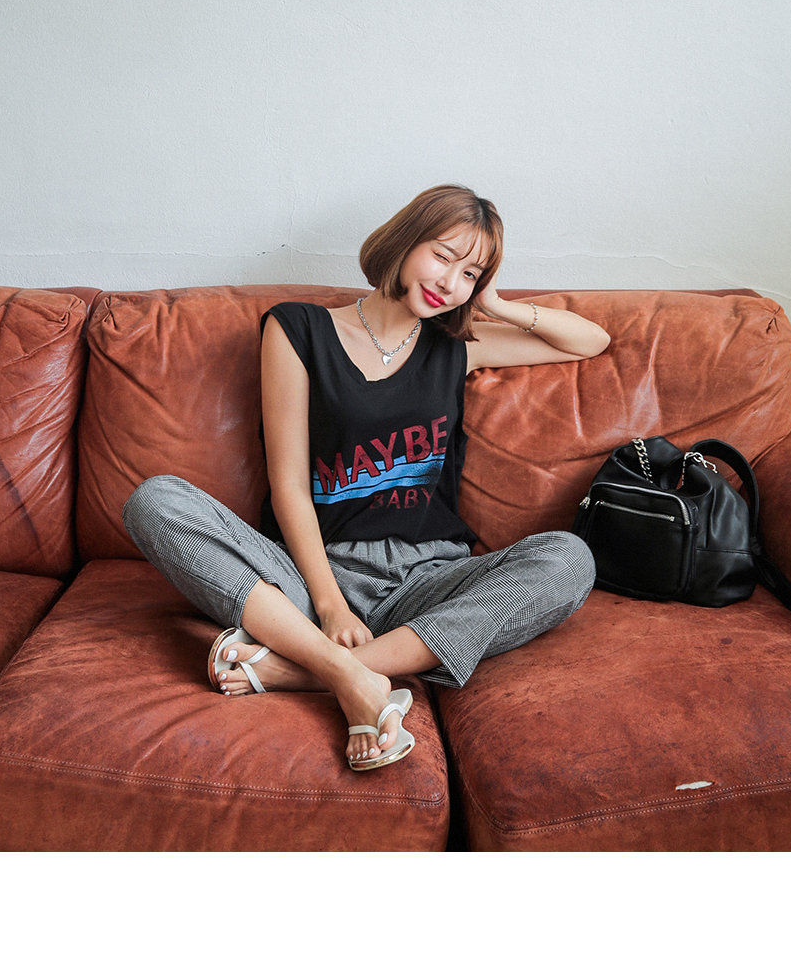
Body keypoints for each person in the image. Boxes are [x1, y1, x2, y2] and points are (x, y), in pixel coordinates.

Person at [123, 185, 609, 771]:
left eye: (469, 273)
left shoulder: (458, 346)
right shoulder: (298, 330)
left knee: (569, 559)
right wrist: (330, 605)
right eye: (443, 255)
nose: (450, 281)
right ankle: (342, 670)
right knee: (156, 500)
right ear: (405, 242)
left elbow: (591, 341)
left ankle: (310, 671)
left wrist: (497, 304)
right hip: (310, 579)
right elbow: (289, 486)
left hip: (426, 580)